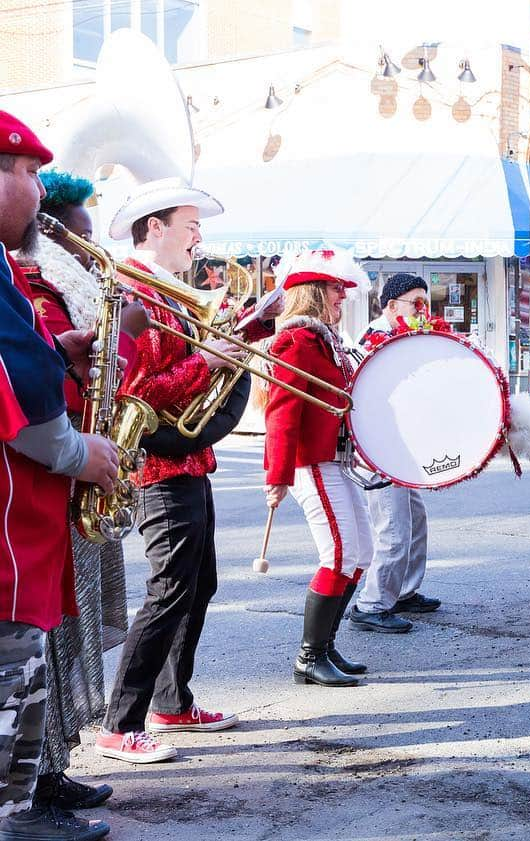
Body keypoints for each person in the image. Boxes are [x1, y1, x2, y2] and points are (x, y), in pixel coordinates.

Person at [95, 177, 251, 764]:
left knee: (198, 584)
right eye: (190, 225)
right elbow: (135, 391)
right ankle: (120, 722)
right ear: (154, 228)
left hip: (190, 458)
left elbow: (178, 378)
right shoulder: (136, 292)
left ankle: (172, 702)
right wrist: (205, 361)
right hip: (159, 463)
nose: (198, 237)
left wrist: (220, 353)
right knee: (169, 590)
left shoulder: (174, 294)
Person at [0, 110, 117, 841]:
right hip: (11, 523)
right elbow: (16, 384)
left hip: (24, 523)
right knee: (8, 684)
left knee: (24, 676)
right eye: (26, 172)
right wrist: (82, 454)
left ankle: (18, 810)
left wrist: (60, 345)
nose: (38, 191)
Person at [17, 171, 145, 814]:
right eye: (80, 235)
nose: (89, 247)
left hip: (74, 473)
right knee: (46, 641)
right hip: (53, 480)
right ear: (55, 234)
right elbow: (33, 390)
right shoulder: (31, 286)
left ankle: (52, 763)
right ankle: (34, 782)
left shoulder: (58, 286)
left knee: (65, 635)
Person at [263, 250, 373, 686]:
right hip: (314, 461)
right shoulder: (298, 342)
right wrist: (278, 475)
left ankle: (325, 646)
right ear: (313, 295)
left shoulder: (326, 341)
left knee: (362, 553)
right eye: (334, 290)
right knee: (341, 553)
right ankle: (310, 656)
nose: (341, 297)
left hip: (337, 459)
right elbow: (282, 411)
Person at [346, 273, 440, 634]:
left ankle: (402, 590)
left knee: (414, 520)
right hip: (381, 447)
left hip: (399, 445)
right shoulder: (377, 341)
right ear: (391, 306)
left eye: (424, 303)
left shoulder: (402, 337)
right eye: (416, 303)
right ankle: (372, 603)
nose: (423, 310)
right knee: (393, 526)